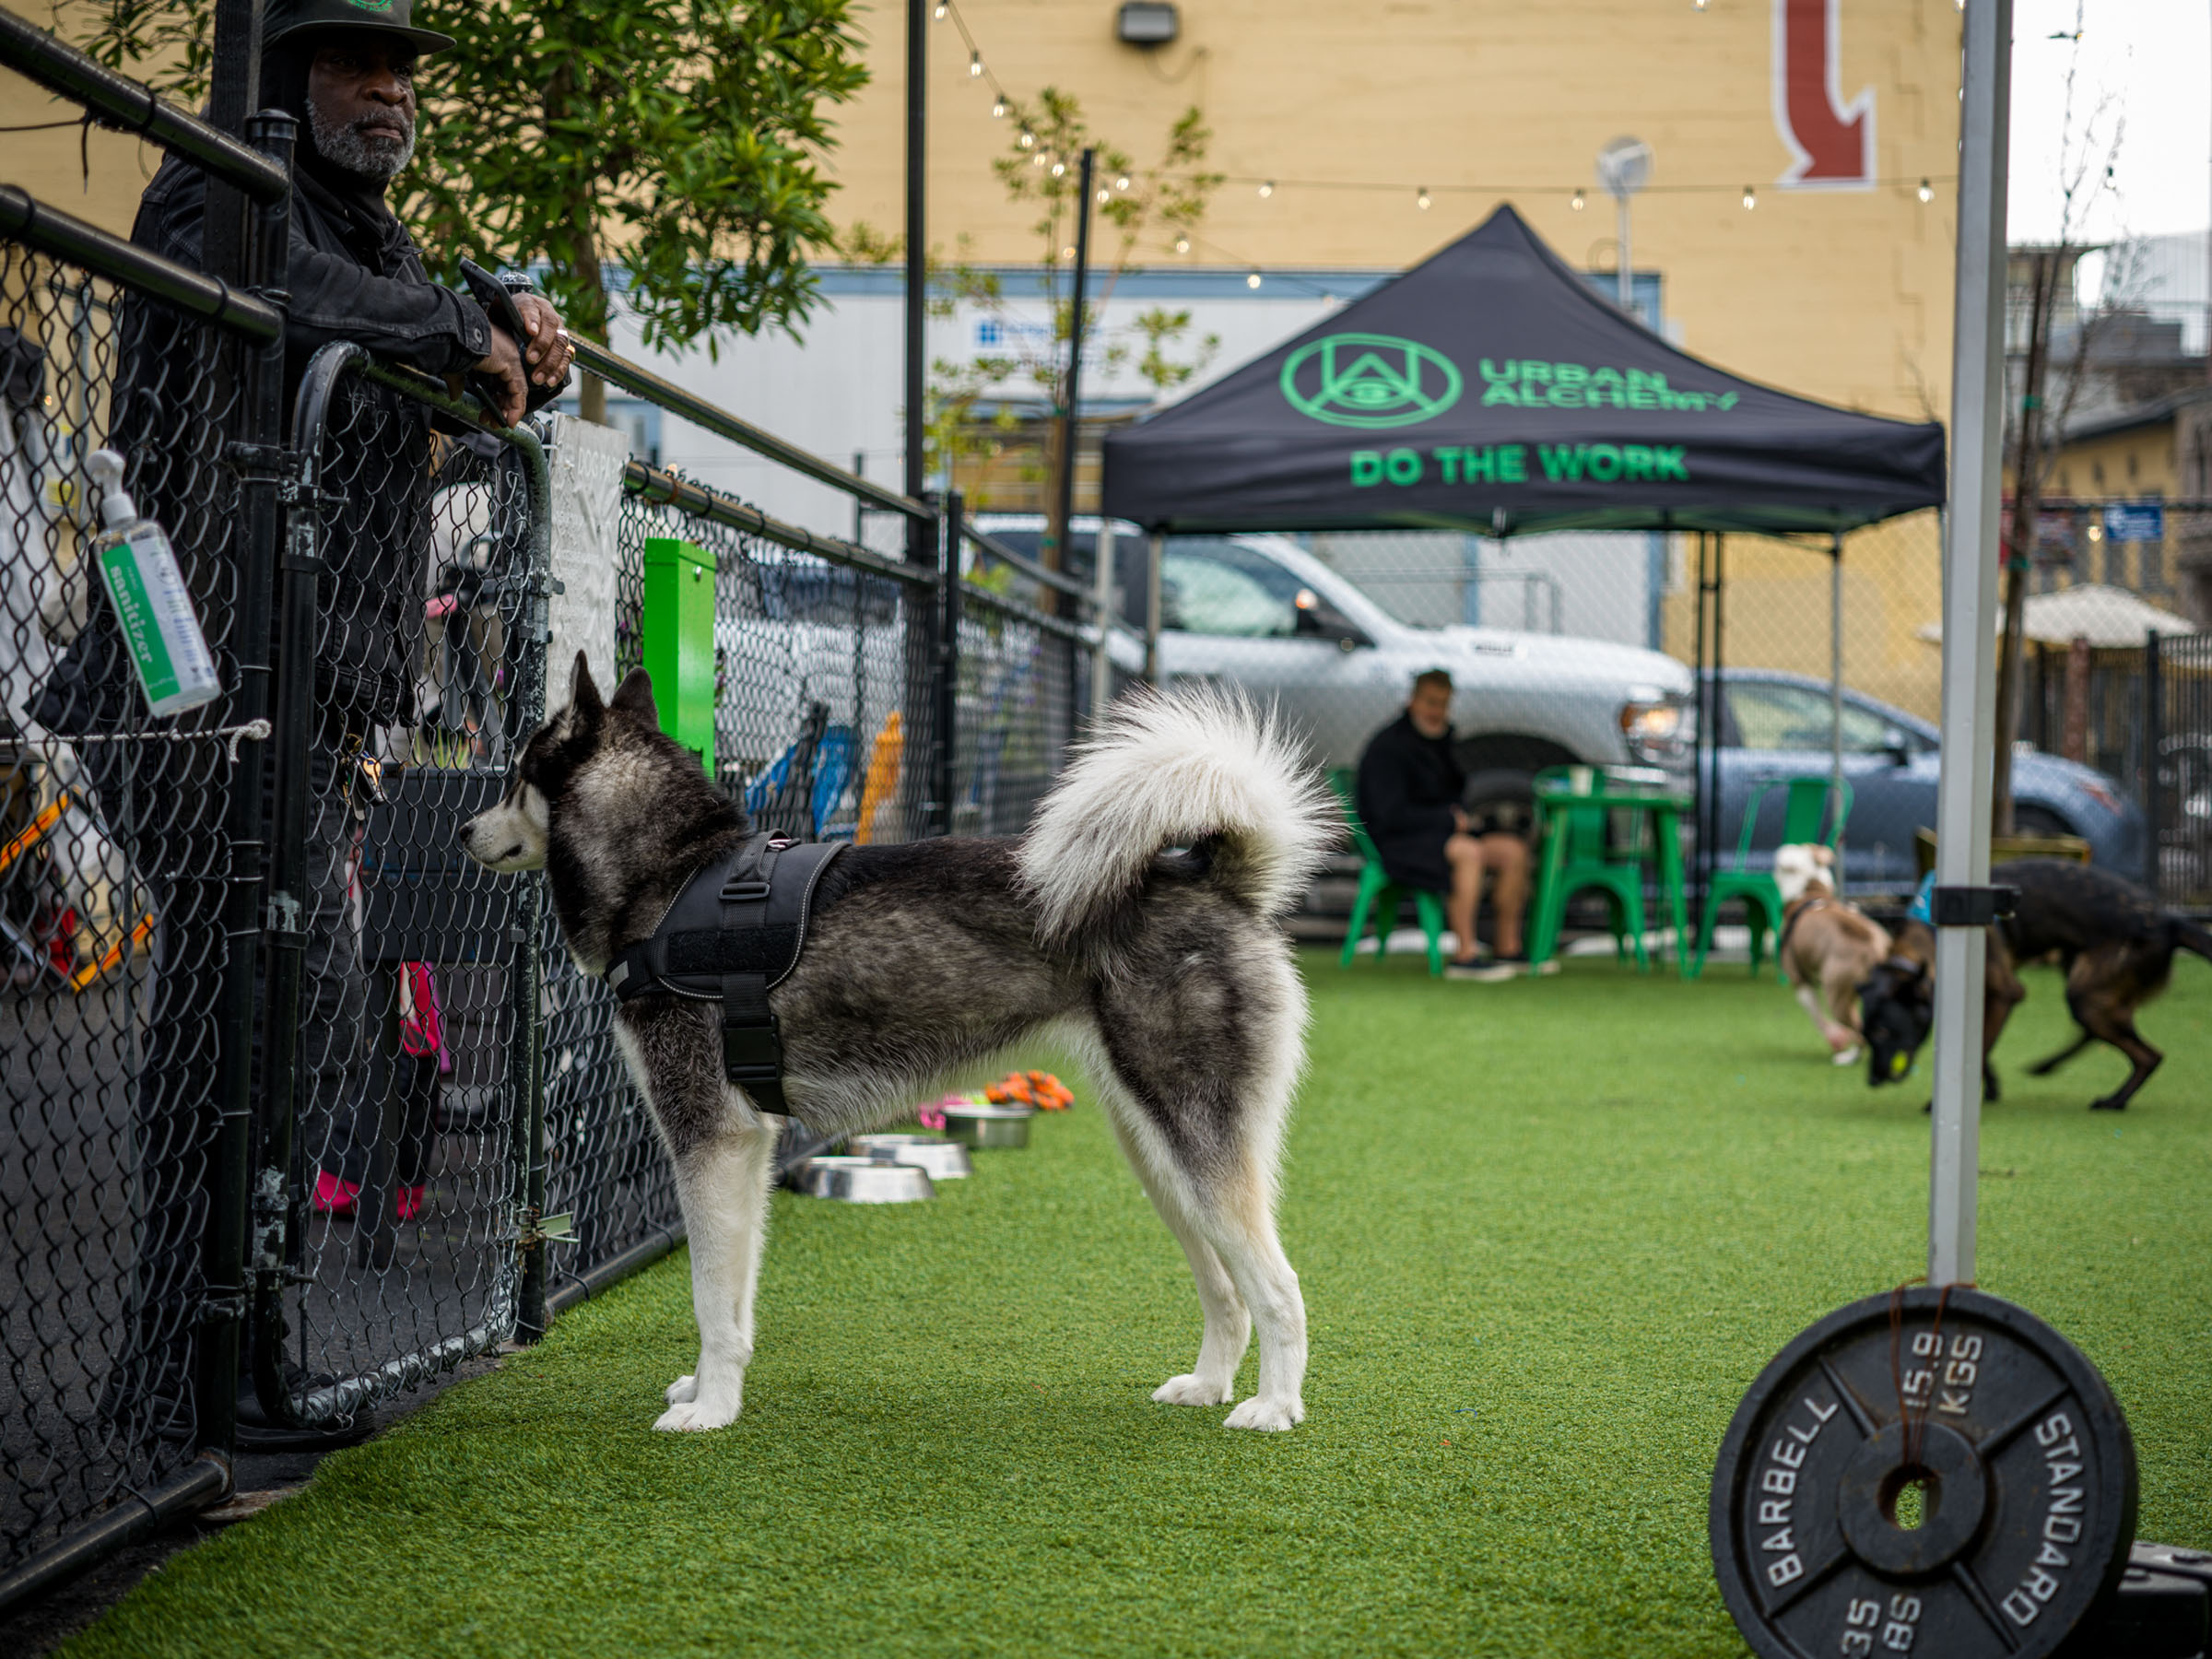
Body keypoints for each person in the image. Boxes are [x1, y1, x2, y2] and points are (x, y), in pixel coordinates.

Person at [1355, 668, 1540, 981]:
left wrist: (1457, 818)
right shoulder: (1388, 748)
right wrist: (1446, 819)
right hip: (1398, 843)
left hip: (1442, 835)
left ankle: (1507, 947)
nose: (1436, 711)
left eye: (1443, 704)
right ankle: (1464, 954)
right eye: (1430, 703)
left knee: (1513, 851)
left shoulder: (1439, 742)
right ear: (1412, 701)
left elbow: (1453, 795)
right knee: (1468, 853)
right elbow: (1388, 815)